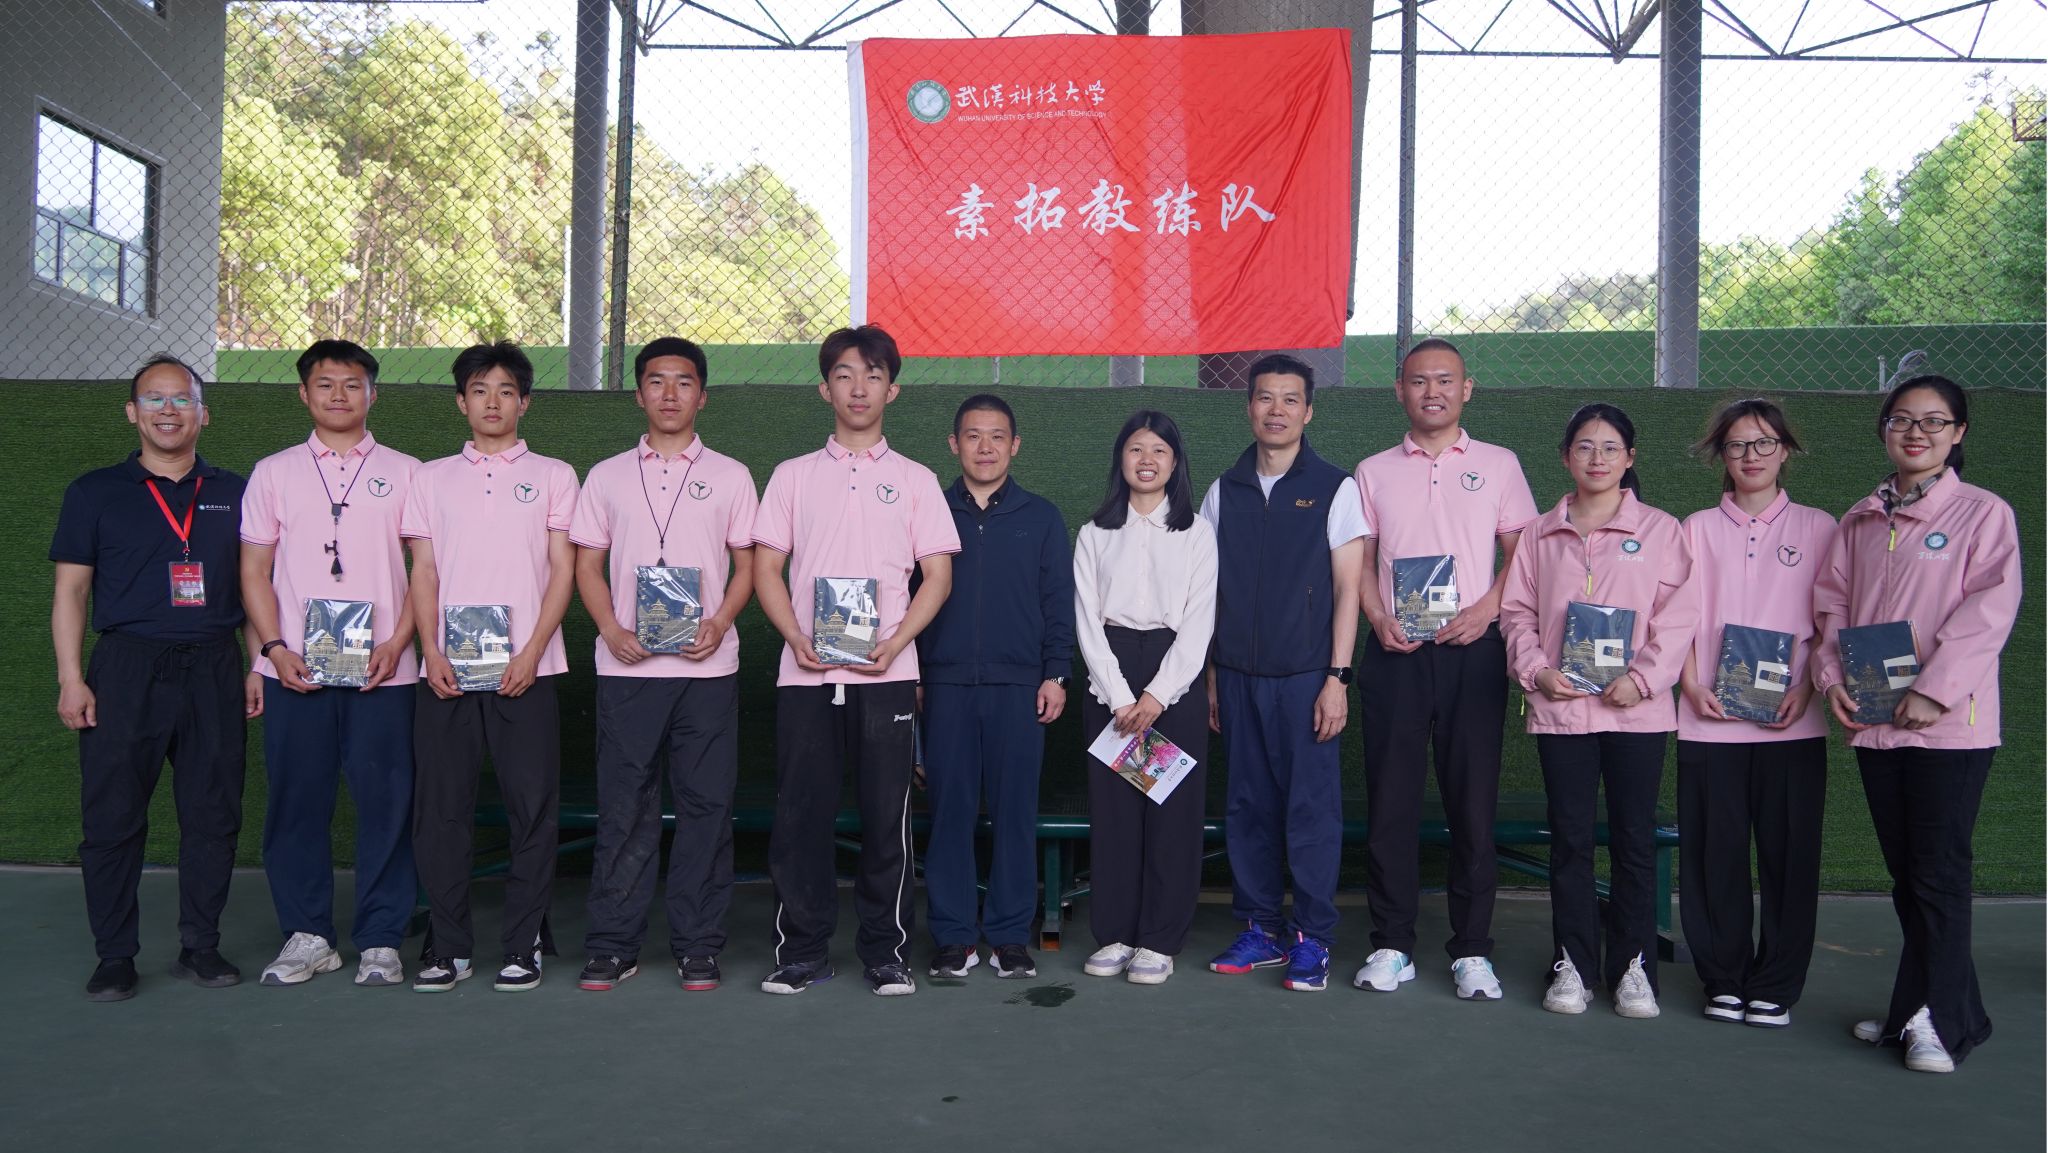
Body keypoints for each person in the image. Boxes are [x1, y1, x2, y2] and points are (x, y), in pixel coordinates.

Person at [1815, 375, 2019, 1074]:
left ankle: (1939, 1021)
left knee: (1937, 874)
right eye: (1902, 419)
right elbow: (1832, 610)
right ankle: (1926, 1008)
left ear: (1957, 434)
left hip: (1949, 729)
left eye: (1934, 422)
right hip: (1877, 725)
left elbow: (1989, 611)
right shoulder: (1860, 519)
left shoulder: (1984, 514)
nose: (1916, 433)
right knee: (1909, 876)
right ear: (1884, 429)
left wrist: (1935, 691)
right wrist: (1831, 679)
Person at [751, 325, 959, 996]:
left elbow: (937, 576)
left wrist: (896, 643)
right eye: (845, 374)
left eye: (873, 375)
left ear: (891, 390)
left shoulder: (916, 480)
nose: (859, 387)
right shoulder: (792, 476)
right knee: (800, 816)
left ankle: (886, 952)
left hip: (886, 676)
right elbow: (766, 568)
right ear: (825, 389)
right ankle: (801, 951)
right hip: (806, 676)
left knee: (886, 819)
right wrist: (795, 637)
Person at [51, 356, 259, 1002]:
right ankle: (115, 955)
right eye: (154, 399)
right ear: (132, 412)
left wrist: (257, 663)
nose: (168, 410)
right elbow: (71, 592)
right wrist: (71, 678)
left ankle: (201, 945)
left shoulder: (237, 491)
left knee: (213, 813)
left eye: (182, 399)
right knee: (112, 817)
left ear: (203, 414)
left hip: (214, 665)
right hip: (126, 668)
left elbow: (256, 587)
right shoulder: (94, 492)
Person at [1350, 338, 1537, 1000]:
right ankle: (1392, 944)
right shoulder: (1372, 471)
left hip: (1473, 653)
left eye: (1445, 380)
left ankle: (1472, 951)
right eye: (1419, 380)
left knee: (1472, 805)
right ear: (1399, 390)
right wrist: (1377, 616)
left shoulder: (1500, 464)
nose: (1433, 391)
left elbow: (1523, 553)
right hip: (1396, 654)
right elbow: (1359, 561)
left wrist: (1487, 610)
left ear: (1467, 389)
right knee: (1391, 804)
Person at [570, 337, 758, 994]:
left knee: (707, 808)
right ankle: (612, 945)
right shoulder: (606, 476)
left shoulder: (732, 475)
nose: (670, 393)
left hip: (707, 670)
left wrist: (720, 621)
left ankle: (698, 945)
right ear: (639, 393)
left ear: (702, 395)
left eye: (683, 382)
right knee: (625, 809)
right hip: (628, 669)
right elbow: (586, 565)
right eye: (657, 381)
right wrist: (611, 628)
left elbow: (748, 565)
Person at [1499, 403, 1698, 1019]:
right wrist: (1537, 671)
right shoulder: (1539, 533)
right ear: (1566, 457)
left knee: (1634, 840)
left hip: (1636, 714)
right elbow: (1517, 614)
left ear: (1630, 458)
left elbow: (1680, 618)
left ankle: (1633, 967)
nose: (1597, 458)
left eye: (1611, 448)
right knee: (1571, 842)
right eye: (1585, 447)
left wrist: (1643, 680)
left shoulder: (1662, 531)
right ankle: (1574, 966)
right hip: (1562, 713)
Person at [241, 340, 423, 989]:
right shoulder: (274, 472)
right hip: (296, 670)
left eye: (352, 384)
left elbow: (426, 569)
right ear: (304, 393)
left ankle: (381, 938)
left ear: (373, 393)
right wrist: (274, 648)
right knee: (296, 800)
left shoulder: (408, 472)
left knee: (388, 802)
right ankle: (309, 934)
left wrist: (398, 642)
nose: (339, 395)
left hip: (385, 670)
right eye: (325, 384)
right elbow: (253, 570)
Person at [402, 342, 579, 993]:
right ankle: (448, 945)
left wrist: (532, 650)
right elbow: (424, 570)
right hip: (447, 672)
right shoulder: (429, 478)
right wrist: (431, 650)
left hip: (528, 669)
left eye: (506, 390)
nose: (493, 402)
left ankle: (523, 942)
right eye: (480, 390)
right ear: (461, 402)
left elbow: (562, 570)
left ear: (524, 402)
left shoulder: (556, 475)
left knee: (531, 808)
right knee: (441, 809)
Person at [1199, 356, 1366, 993]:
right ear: (1249, 408)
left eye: (1290, 399)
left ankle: (1313, 938)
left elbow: (1349, 590)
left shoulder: (1335, 487)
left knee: (1310, 810)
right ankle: (1262, 928)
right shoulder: (1224, 490)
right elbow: (1207, 591)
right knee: (1247, 806)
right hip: (1237, 676)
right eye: (1265, 398)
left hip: (1307, 678)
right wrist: (1212, 676)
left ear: (1308, 411)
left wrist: (1337, 678)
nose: (1277, 410)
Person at [1676, 398, 1836, 1028]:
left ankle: (1776, 984)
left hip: (1790, 723)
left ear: (1784, 450)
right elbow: (1676, 619)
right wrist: (1689, 684)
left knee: (1789, 856)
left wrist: (1809, 688)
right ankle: (1723, 977)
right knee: (1713, 853)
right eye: (1738, 444)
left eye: (1764, 443)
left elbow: (1832, 620)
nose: (1751, 455)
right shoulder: (1694, 529)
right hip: (1707, 719)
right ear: (1721, 454)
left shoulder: (1820, 527)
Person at [917, 394, 1075, 981]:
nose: (985, 447)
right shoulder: (928, 511)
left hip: (1019, 688)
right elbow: (905, 597)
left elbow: (1059, 603)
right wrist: (913, 673)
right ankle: (954, 938)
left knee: (1015, 814)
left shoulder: (1042, 517)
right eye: (973, 436)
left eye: (997, 436)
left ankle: (1010, 937)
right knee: (949, 814)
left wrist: (1055, 673)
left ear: (1015, 446)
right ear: (953, 444)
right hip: (944, 685)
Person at [1074, 411, 1217, 986]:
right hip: (1110, 678)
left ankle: (1159, 940)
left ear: (1175, 462)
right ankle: (1115, 933)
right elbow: (1086, 621)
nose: (1147, 460)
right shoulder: (1094, 533)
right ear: (1121, 459)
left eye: (1159, 450)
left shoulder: (1196, 532)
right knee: (1115, 813)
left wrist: (1156, 695)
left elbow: (1200, 622)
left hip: (1172, 678)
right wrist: (1118, 697)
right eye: (1136, 449)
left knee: (1171, 814)